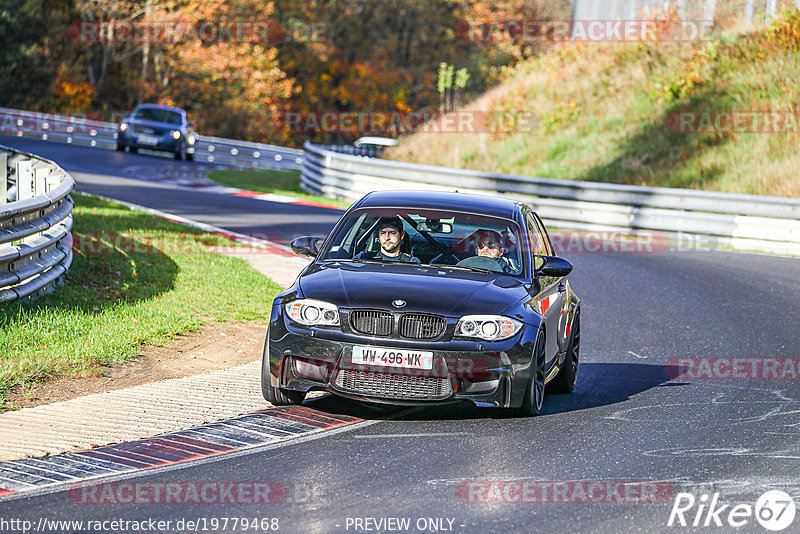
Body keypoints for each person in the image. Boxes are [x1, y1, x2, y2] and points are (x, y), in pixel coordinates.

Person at [355, 216, 421, 263]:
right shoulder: (364, 258)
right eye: (383, 233)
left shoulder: (412, 263)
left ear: (402, 235)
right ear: (378, 235)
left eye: (392, 233)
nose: (387, 238)